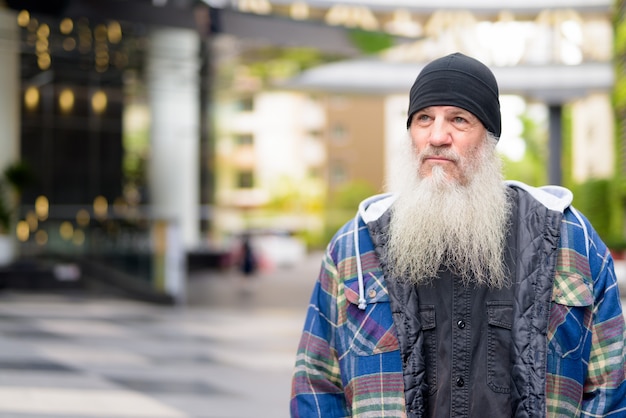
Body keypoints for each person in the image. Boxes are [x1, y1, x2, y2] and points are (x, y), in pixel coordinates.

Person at [290, 52, 626, 417]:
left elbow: (611, 383)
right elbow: (316, 381)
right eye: (423, 119)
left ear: (489, 137)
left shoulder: (569, 237)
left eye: (459, 119)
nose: (437, 136)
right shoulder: (353, 246)